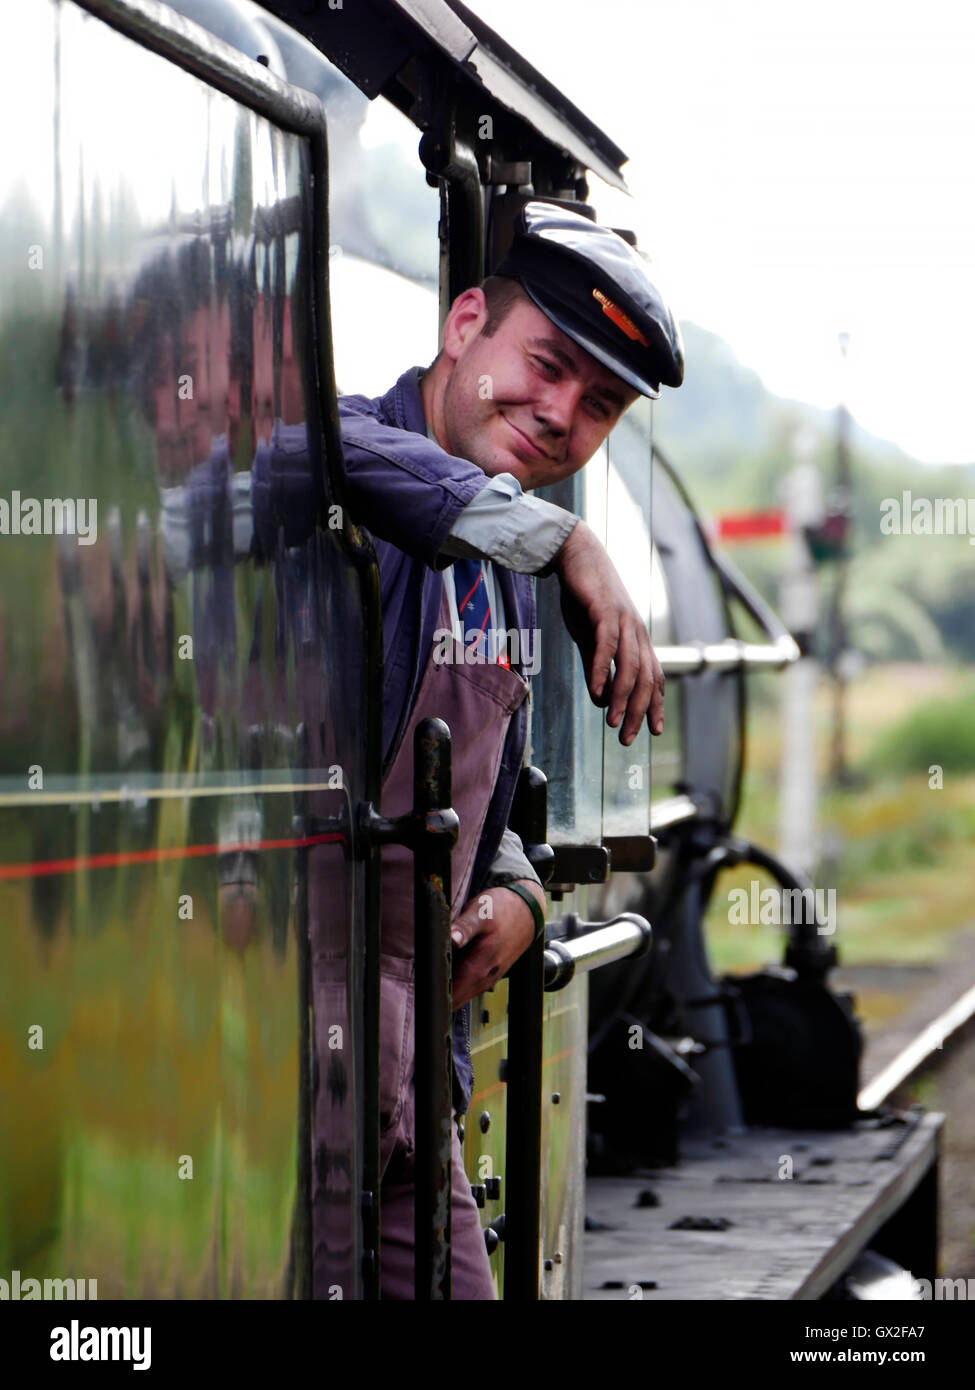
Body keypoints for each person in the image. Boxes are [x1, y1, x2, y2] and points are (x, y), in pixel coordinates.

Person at [337, 201, 684, 1298]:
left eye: (600, 406)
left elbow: (499, 803)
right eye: (543, 364)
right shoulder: (338, 463)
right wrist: (565, 536)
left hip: (413, 1078)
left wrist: (521, 892)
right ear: (466, 323)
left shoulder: (503, 582)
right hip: (276, 1054)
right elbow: (297, 440)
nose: (559, 415)